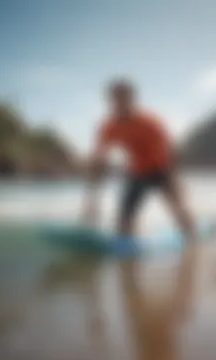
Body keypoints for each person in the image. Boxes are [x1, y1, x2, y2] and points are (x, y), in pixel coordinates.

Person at [82, 78, 195, 249]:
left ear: (132, 99)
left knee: (178, 209)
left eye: (124, 98)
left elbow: (170, 152)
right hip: (137, 172)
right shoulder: (108, 127)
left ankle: (193, 242)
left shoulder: (150, 123)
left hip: (161, 169)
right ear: (110, 101)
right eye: (116, 99)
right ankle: (127, 252)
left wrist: (175, 181)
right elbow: (99, 162)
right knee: (124, 217)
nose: (120, 103)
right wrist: (92, 200)